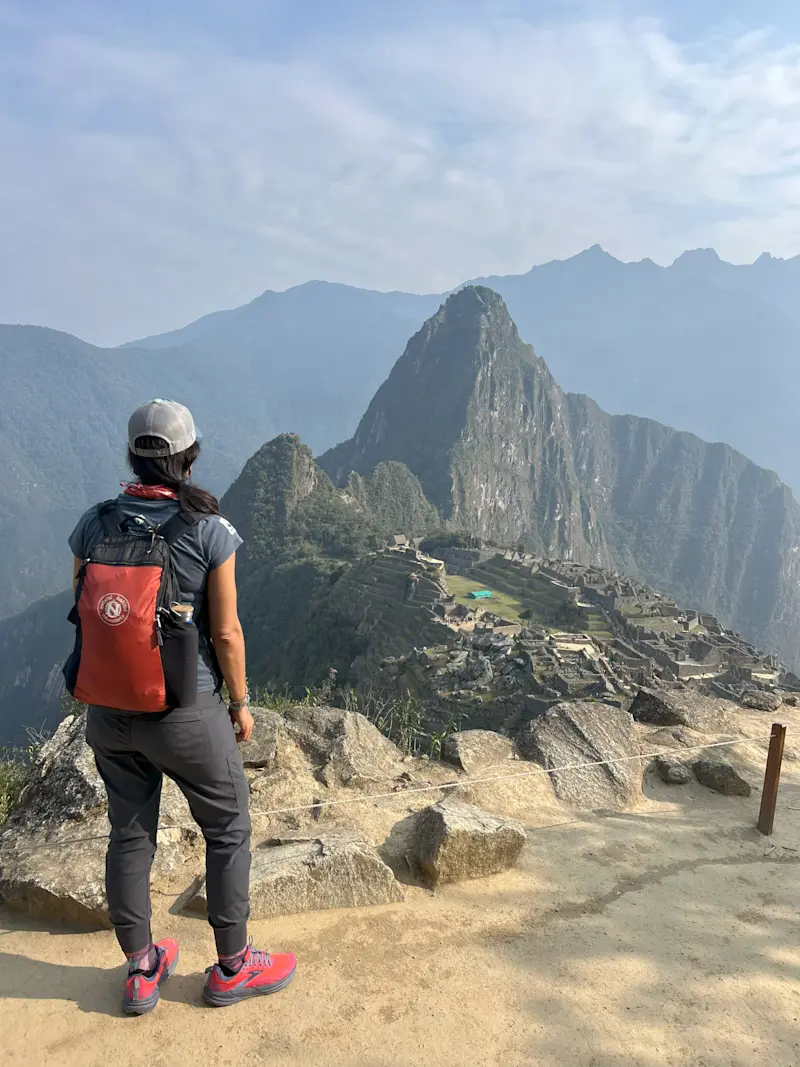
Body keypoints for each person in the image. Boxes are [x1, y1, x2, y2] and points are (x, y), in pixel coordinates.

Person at [67, 399, 296, 1014]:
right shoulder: (209, 530)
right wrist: (241, 704)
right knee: (227, 829)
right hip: (184, 714)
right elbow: (226, 634)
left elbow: (85, 615)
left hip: (110, 714)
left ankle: (142, 971)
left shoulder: (95, 524)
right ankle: (232, 965)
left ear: (132, 455)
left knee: (129, 832)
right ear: (189, 458)